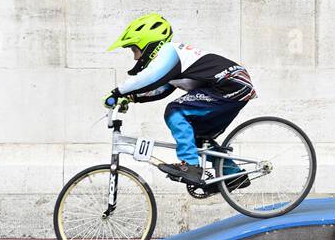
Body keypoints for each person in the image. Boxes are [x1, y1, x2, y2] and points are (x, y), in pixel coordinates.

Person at [103, 14, 256, 188]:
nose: (135, 58)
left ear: (148, 43)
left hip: (230, 85)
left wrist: (116, 92)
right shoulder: (174, 63)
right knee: (196, 137)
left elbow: (150, 78)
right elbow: (160, 90)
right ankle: (233, 174)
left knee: (175, 111)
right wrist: (131, 98)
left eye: (134, 50)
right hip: (233, 88)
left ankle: (190, 166)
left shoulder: (169, 51)